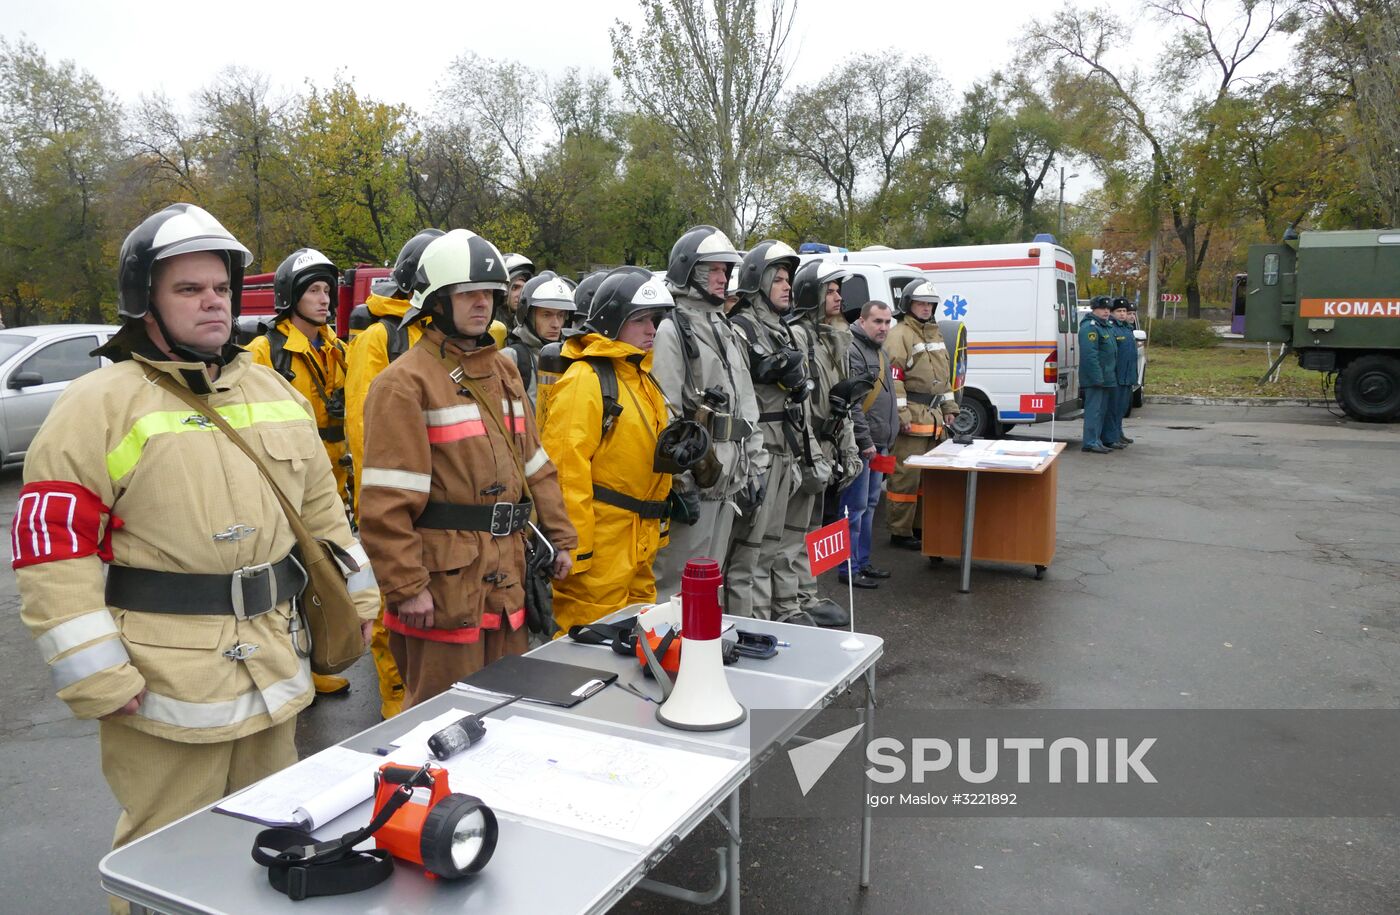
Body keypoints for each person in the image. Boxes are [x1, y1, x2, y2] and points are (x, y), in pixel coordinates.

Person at [12, 203, 378, 913]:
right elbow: (51, 554)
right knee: (164, 860)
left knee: (269, 842)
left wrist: (360, 605)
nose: (211, 301)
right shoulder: (95, 405)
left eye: (219, 287)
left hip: (274, 663)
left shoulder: (274, 391)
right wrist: (98, 675)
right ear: (143, 301)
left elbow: (324, 516)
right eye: (188, 289)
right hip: (160, 681)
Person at [358, 229, 576, 708]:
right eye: (467, 293)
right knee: (442, 718)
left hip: (507, 574)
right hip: (442, 587)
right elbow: (384, 502)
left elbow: (535, 464)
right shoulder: (403, 384)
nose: (482, 304)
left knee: (508, 711)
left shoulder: (503, 371)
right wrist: (406, 586)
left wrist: (560, 536)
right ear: (435, 301)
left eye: (490, 294)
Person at [245, 250, 357, 700]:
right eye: (314, 290)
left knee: (329, 566)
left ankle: (319, 656)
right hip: (287, 475)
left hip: (335, 473)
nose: (324, 299)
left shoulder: (340, 348)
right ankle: (294, 664)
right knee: (294, 570)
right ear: (290, 296)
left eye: (328, 291)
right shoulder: (264, 351)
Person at [541, 267, 675, 632]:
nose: (652, 330)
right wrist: (573, 547)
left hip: (636, 539)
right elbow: (566, 469)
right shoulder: (586, 379)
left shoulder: (642, 379)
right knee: (587, 648)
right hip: (599, 549)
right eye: (641, 320)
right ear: (614, 321)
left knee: (635, 641)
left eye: (655, 320)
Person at [344, 228, 442, 718]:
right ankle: (393, 711)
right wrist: (386, 512)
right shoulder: (381, 338)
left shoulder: (440, 337)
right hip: (400, 506)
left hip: (443, 511)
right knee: (394, 611)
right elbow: (367, 433)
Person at [651, 225, 766, 601]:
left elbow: (747, 405)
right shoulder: (672, 330)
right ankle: (669, 655)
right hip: (697, 481)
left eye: (725, 271)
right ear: (689, 270)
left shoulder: (727, 330)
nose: (722, 278)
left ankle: (702, 652)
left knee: (709, 585)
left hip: (729, 479)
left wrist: (755, 465)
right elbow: (666, 412)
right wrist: (682, 482)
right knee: (678, 586)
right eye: (713, 270)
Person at [727, 240, 825, 623]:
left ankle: (774, 620)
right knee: (749, 551)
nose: (787, 287)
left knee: (774, 546)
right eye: (778, 279)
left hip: (786, 445)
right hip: (761, 448)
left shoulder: (782, 329)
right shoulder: (741, 327)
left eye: (789, 279)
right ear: (758, 281)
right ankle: (749, 628)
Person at [788, 260, 864, 624]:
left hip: (828, 442)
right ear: (811, 295)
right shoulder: (800, 336)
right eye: (829, 291)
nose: (837, 297)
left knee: (814, 525)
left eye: (838, 291)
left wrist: (848, 449)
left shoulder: (838, 337)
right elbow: (799, 403)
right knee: (793, 530)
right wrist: (812, 454)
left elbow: (845, 399)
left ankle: (806, 593)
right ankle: (790, 600)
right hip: (807, 446)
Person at [885, 280, 960, 549]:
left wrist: (949, 407)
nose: (926, 308)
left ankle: (918, 528)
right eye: (921, 303)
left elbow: (943, 376)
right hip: (913, 416)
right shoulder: (900, 334)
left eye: (930, 304)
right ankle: (900, 531)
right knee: (904, 477)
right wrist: (901, 413)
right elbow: (893, 378)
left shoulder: (935, 334)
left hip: (933, 416)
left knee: (925, 478)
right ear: (908, 304)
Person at [838, 301, 898, 588]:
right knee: (855, 508)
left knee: (871, 505)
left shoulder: (879, 350)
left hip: (879, 443)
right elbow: (854, 403)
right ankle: (848, 568)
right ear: (862, 321)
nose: (883, 327)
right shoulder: (854, 350)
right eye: (877, 321)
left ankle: (862, 561)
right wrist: (864, 441)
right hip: (865, 445)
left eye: (887, 322)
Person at [506, 271, 576, 407]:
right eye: (546, 315)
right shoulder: (511, 358)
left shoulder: (571, 357)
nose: (556, 324)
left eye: (561, 315)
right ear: (527, 315)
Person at [1078, 295, 1118, 454]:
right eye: (1103, 308)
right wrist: (1097, 377)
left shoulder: (1105, 326)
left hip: (1106, 376)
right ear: (1094, 309)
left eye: (1108, 309)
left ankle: (1097, 439)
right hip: (1096, 378)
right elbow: (1090, 355)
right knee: (1093, 411)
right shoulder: (1090, 327)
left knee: (1101, 411)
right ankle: (1090, 441)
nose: (1106, 311)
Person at [1109, 297, 1138, 448]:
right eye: (1119, 311)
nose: (1123, 314)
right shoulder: (1112, 328)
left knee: (1122, 408)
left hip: (1127, 375)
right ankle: (1112, 436)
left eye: (1124, 311)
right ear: (1112, 312)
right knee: (1114, 409)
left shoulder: (1127, 329)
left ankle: (1118, 433)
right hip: (1117, 375)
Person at [502, 252, 535, 324]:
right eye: (515, 287)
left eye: (524, 289)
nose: (520, 295)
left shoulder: (527, 324)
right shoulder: (489, 325)